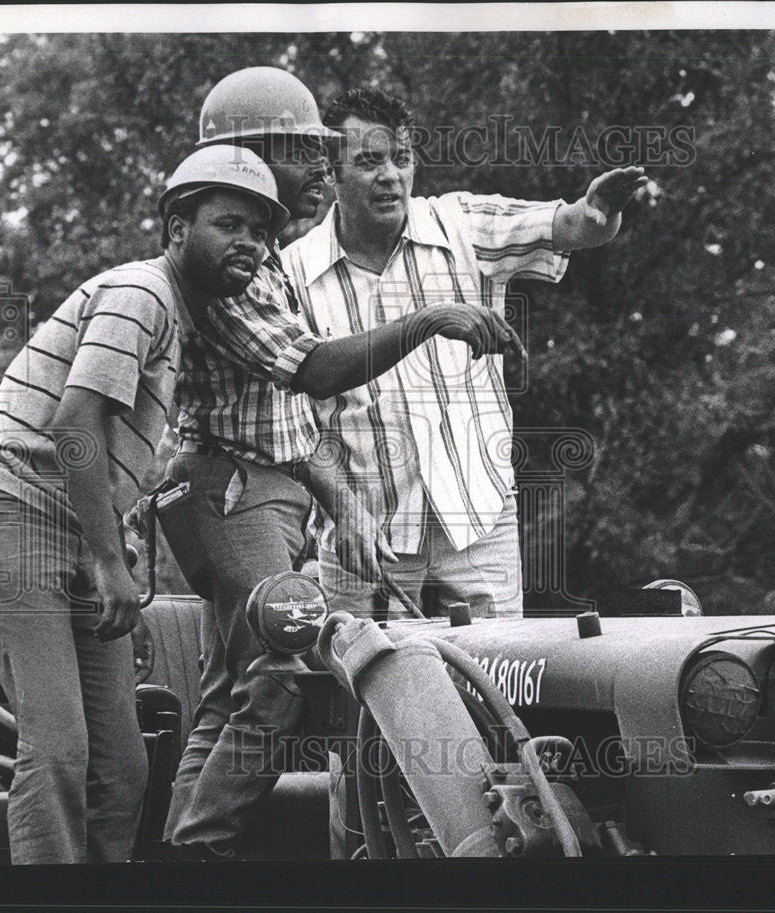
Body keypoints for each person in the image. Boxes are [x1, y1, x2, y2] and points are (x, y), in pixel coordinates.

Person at [160, 68, 522, 859]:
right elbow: (316, 374)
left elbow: (290, 423)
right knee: (286, 669)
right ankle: (199, 853)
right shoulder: (237, 268)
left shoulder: (256, 251)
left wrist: (346, 509)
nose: (320, 168)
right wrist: (428, 318)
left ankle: (179, 855)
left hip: (243, 487)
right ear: (247, 156)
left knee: (231, 694)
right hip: (231, 493)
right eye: (302, 151)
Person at [0, 144, 287, 864]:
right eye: (230, 223)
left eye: (261, 232)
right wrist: (107, 557)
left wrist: (115, 545)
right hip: (16, 511)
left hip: (72, 521)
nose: (250, 243)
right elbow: (74, 423)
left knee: (123, 765)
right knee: (56, 750)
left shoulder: (182, 319)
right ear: (177, 229)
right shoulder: (143, 294)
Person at [281, 88, 648, 620]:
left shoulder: (461, 223)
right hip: (364, 531)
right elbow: (292, 422)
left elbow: (564, 224)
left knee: (498, 679)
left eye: (401, 159)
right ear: (332, 174)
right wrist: (344, 512)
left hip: (478, 515)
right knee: (368, 692)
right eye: (369, 162)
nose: (391, 176)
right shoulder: (292, 273)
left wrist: (597, 211)